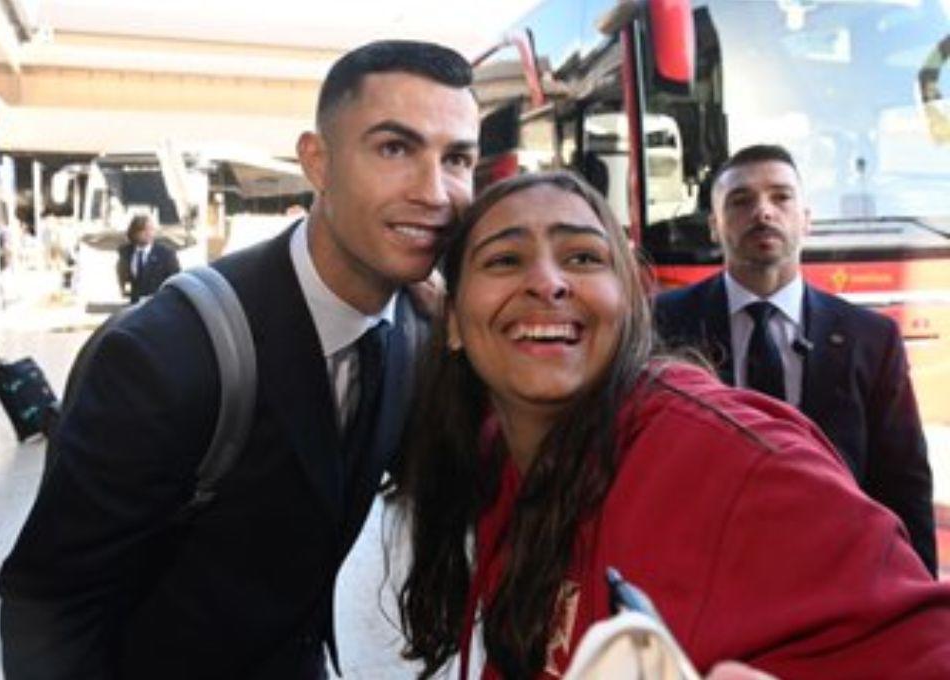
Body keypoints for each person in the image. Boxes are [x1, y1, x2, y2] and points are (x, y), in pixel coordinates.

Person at [0, 39, 479, 679]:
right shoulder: (167, 354)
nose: (435, 191)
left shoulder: (417, 330)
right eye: (395, 148)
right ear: (318, 161)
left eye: (457, 158)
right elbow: (50, 603)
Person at [395, 171, 950, 680]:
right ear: (453, 323)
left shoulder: (736, 462)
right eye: (504, 260)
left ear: (632, 303)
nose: (548, 282)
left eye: (583, 257)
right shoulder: (493, 456)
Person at [653, 144, 936, 575]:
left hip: (836, 572)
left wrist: (920, 597)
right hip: (705, 570)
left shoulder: (871, 338)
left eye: (781, 197)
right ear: (714, 226)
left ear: (806, 218)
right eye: (741, 201)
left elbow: (903, 482)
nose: (763, 212)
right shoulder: (661, 324)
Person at [115, 214, 181, 304]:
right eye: (144, 230)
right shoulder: (126, 252)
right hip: (135, 303)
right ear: (134, 233)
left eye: (151, 229)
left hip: (158, 303)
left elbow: (175, 279)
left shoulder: (165, 254)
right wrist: (127, 291)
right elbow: (124, 275)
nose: (148, 233)